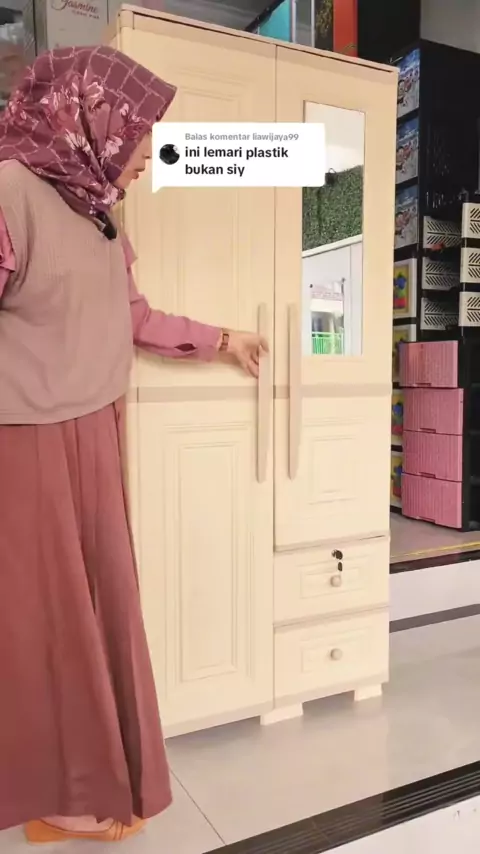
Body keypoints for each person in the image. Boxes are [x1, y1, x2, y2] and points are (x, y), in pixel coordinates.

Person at [0, 45, 267, 844]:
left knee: (104, 609)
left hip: (95, 429)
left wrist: (222, 339)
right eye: (140, 131)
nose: (149, 151)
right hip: (25, 445)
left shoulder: (100, 214)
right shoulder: (10, 191)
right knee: (45, 623)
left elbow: (132, 316)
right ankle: (52, 793)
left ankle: (99, 777)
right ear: (91, 117)